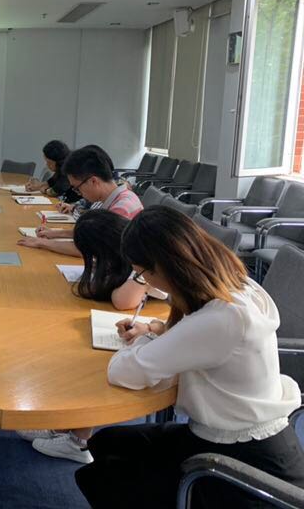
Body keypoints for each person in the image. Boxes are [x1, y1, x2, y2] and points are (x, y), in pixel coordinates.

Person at [76, 206, 304, 508]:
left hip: (246, 459)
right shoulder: (236, 285)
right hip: (244, 436)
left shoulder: (222, 318)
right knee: (107, 443)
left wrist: (144, 338)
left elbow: (122, 372)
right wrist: (155, 329)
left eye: (142, 274)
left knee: (103, 478)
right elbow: (201, 338)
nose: (145, 281)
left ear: (162, 267)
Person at [24, 209, 167, 463]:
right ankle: (64, 426)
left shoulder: (145, 262)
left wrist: (139, 283)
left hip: (168, 343)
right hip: (158, 327)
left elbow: (121, 300)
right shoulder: (131, 254)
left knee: (88, 359)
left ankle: (77, 442)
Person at [18, 146, 142, 256]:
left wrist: (42, 243)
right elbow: (94, 234)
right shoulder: (110, 198)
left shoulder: (122, 208)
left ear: (93, 181)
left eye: (77, 188)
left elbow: (88, 248)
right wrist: (55, 233)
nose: (79, 193)